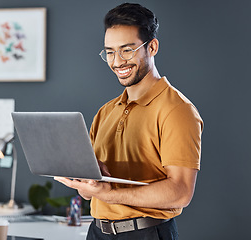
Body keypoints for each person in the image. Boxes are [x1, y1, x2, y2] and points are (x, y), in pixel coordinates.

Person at [55, 3, 203, 240]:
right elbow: (90, 194)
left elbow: (180, 192)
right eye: (110, 52)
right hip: (97, 232)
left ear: (152, 47)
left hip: (146, 233)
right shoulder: (105, 112)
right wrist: (85, 181)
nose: (117, 62)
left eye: (127, 50)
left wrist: (109, 194)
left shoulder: (177, 110)